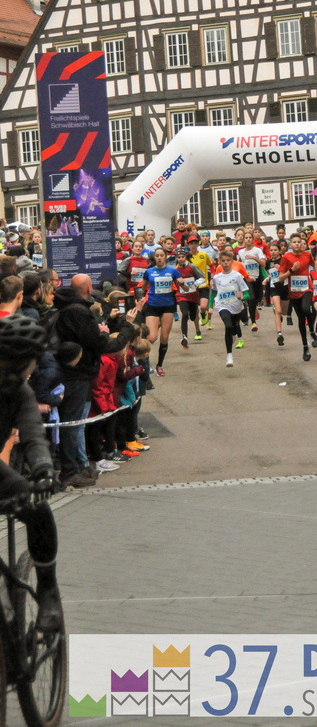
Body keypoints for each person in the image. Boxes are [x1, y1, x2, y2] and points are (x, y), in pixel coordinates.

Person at [0, 316, 62, 629]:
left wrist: (42, 469)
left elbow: (33, 434)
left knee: (37, 508)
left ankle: (48, 590)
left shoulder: (19, 392)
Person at [52, 274, 138, 487]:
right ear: (89, 289)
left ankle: (76, 467)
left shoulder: (66, 308)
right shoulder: (79, 312)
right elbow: (103, 344)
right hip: (77, 374)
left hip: (74, 372)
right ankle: (70, 471)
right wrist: (127, 326)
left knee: (74, 424)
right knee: (73, 425)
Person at [143, 247, 186, 376]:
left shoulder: (173, 271)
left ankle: (159, 365)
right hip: (152, 306)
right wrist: (140, 298)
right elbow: (143, 287)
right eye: (157, 256)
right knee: (151, 337)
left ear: (166, 257)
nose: (160, 258)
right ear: (154, 258)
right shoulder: (149, 272)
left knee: (164, 337)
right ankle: (145, 362)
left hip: (168, 306)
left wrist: (182, 284)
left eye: (162, 255)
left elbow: (186, 287)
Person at [278, 232, 317, 361]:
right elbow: (280, 278)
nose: (297, 244)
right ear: (291, 245)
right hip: (294, 292)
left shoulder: (307, 254)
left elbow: (314, 264)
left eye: (298, 242)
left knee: (307, 309)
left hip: (307, 288)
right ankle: (305, 346)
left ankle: (312, 331)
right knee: (301, 319)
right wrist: (292, 271)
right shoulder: (286, 257)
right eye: (294, 242)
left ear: (302, 244)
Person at [211, 251, 247, 368]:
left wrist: (241, 296)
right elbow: (214, 292)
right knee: (228, 326)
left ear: (232, 261)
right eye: (223, 261)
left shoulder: (237, 276)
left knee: (234, 327)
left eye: (228, 260)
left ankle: (233, 337)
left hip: (236, 307)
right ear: (219, 262)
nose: (225, 263)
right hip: (222, 306)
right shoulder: (217, 278)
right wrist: (210, 306)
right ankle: (229, 355)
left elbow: (246, 293)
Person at [175, 249, 206, 349]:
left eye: (182, 257)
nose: (181, 259)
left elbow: (202, 277)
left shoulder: (191, 267)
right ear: (176, 258)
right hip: (182, 296)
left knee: (193, 317)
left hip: (193, 296)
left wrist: (195, 284)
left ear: (186, 257)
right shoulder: (175, 270)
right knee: (184, 314)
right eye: (179, 257)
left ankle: (200, 314)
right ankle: (184, 337)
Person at [237, 230, 267, 331]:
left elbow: (263, 265)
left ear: (252, 239)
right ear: (244, 240)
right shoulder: (240, 252)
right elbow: (238, 266)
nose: (248, 239)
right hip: (246, 279)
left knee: (257, 298)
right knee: (251, 298)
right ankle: (253, 322)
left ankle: (252, 308)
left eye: (250, 237)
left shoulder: (257, 250)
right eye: (246, 238)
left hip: (257, 279)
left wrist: (255, 258)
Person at [267, 242, 289, 346]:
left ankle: (278, 312)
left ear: (279, 251)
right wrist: (267, 279)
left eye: (275, 250)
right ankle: (279, 334)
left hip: (285, 287)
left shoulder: (284, 260)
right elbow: (269, 274)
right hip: (274, 287)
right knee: (278, 311)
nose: (273, 252)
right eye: (271, 250)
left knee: (284, 312)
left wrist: (280, 267)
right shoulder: (268, 262)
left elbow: (289, 272)